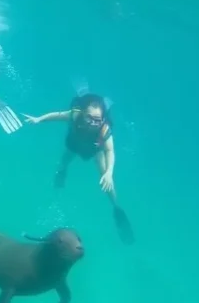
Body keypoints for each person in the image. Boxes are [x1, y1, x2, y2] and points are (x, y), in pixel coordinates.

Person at [23, 92, 135, 244]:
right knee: (63, 163)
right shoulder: (75, 116)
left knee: (106, 177)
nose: (92, 123)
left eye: (97, 120)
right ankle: (59, 184)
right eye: (89, 118)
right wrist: (38, 120)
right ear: (82, 113)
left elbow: (110, 151)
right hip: (74, 144)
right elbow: (56, 116)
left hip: (95, 149)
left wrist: (109, 173)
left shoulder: (104, 129)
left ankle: (116, 207)